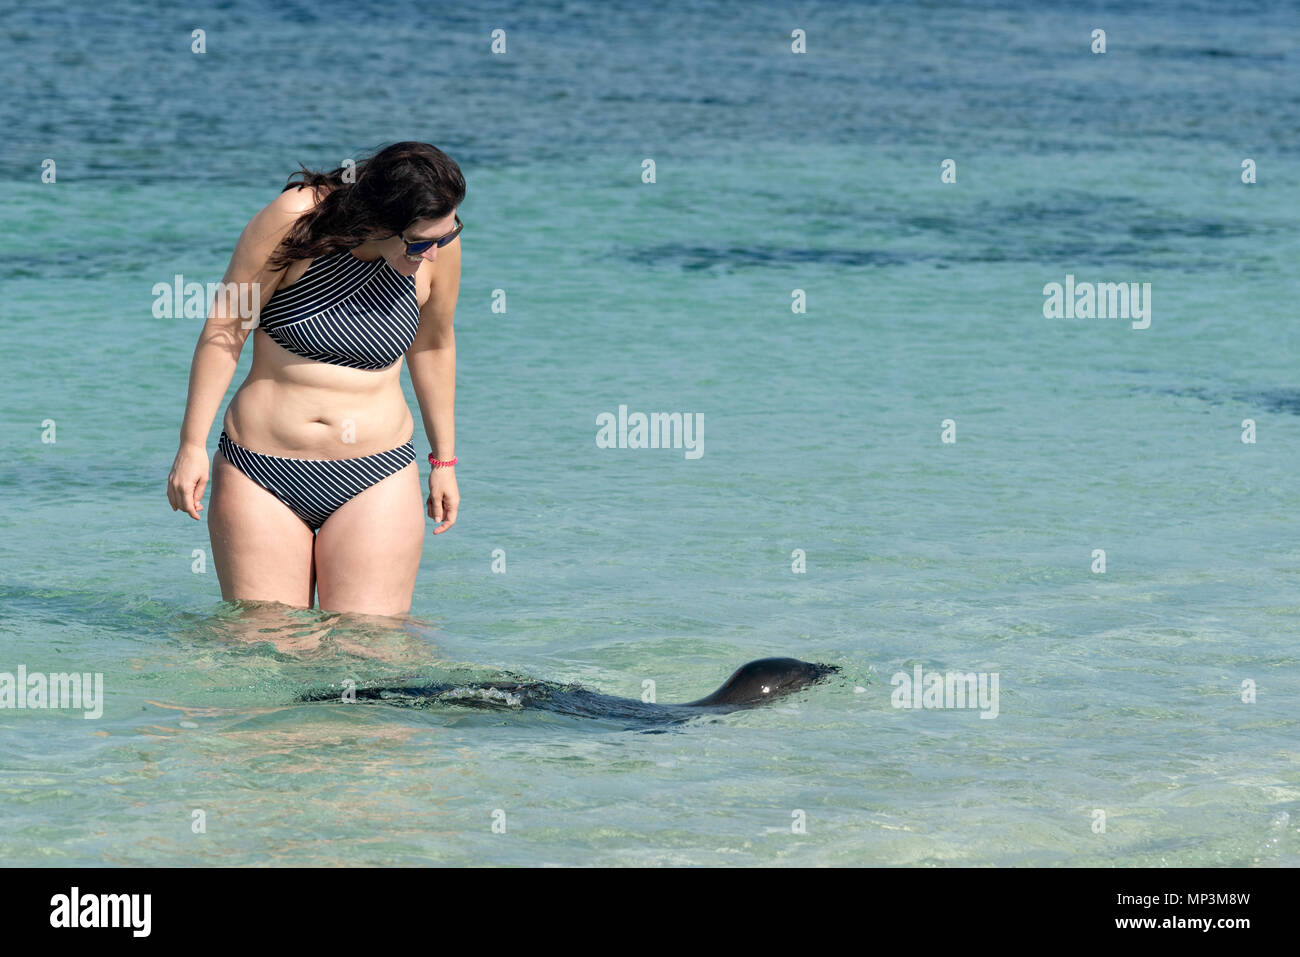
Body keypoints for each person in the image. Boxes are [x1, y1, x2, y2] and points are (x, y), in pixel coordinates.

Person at [167, 141, 465, 616]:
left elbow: (433, 345)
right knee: (265, 648)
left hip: (378, 473)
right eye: (420, 243)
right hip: (261, 470)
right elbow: (227, 326)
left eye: (446, 237)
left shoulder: (437, 238)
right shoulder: (296, 218)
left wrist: (444, 462)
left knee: (371, 649)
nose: (433, 254)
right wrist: (190, 445)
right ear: (377, 222)